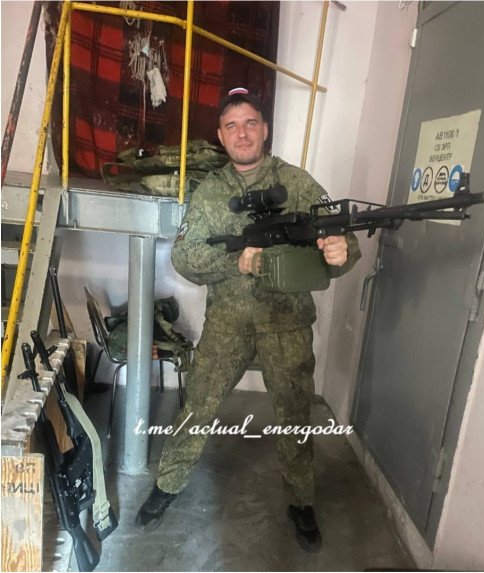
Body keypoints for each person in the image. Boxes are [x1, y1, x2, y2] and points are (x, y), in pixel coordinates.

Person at [136, 87, 360, 552]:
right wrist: (234, 263)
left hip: (287, 323)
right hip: (228, 324)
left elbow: (340, 241)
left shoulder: (297, 183)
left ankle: (301, 501)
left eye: (251, 123)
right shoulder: (209, 192)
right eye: (232, 125)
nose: (242, 133)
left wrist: (343, 251)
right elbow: (184, 257)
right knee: (197, 406)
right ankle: (168, 485)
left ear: (265, 129)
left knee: (295, 415)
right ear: (220, 136)